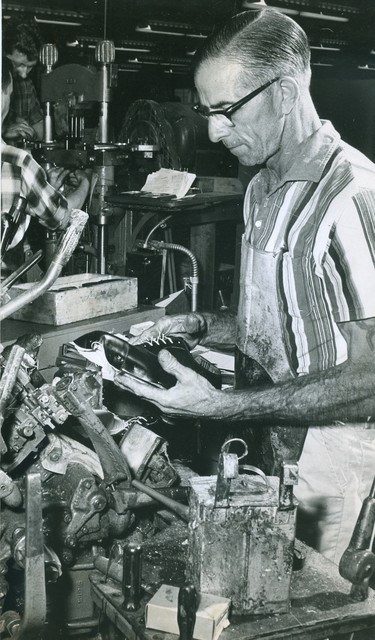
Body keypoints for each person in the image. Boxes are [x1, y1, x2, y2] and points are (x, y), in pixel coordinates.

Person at [114, 7, 375, 565]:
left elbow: (372, 376)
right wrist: (205, 324)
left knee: (314, 602)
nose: (213, 130)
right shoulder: (259, 189)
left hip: (335, 461)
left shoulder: (351, 196)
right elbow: (283, 323)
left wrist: (220, 407)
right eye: (206, 112)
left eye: (227, 111)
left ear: (283, 94)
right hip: (268, 439)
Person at [1, 56, 91, 254]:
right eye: (10, 93)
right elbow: (61, 216)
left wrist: (43, 186)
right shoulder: (17, 162)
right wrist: (87, 182)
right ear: (4, 94)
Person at [2, 17, 44, 142]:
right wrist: (4, 130)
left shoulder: (25, 85)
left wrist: (30, 133)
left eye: (30, 66)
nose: (24, 74)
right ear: (3, 53)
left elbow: (39, 127)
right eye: (18, 64)